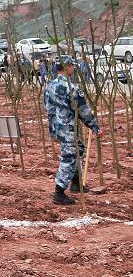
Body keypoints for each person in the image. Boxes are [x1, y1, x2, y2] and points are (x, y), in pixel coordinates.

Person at [44, 56, 100, 205]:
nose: (73, 68)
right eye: (72, 66)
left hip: (56, 128)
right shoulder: (72, 88)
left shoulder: (49, 86)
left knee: (79, 149)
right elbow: (83, 111)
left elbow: (47, 107)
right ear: (67, 67)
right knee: (69, 157)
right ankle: (59, 192)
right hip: (67, 128)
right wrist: (94, 126)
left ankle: (76, 182)